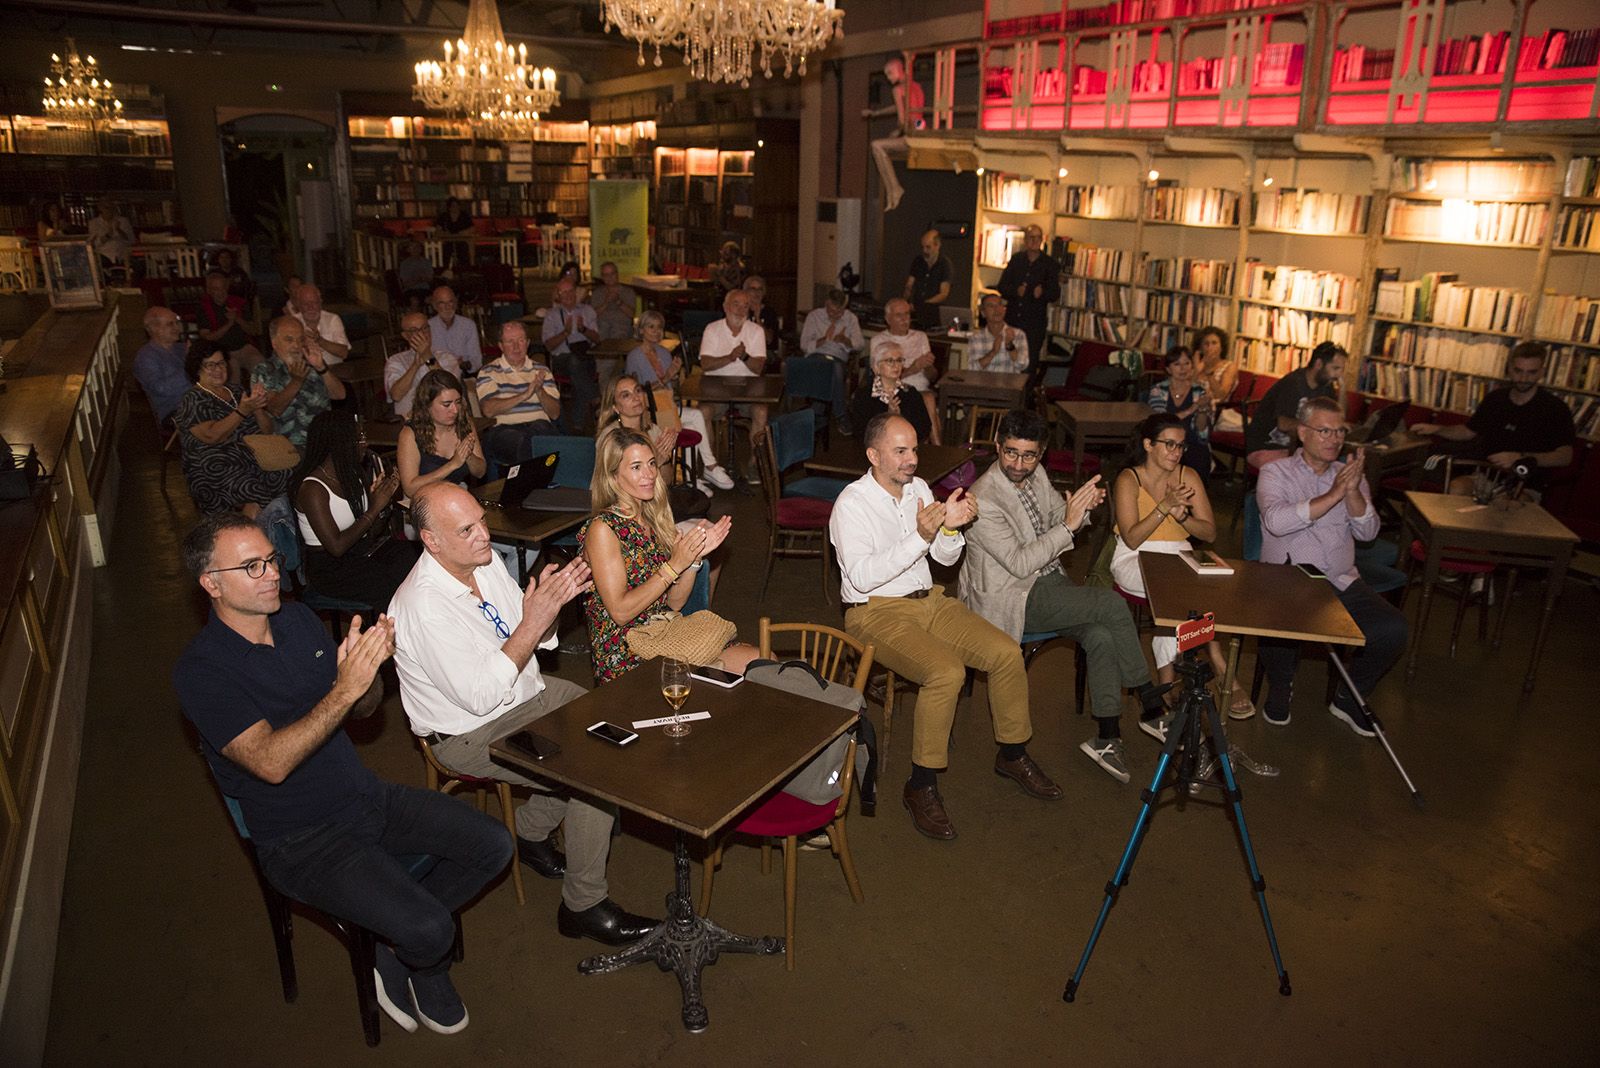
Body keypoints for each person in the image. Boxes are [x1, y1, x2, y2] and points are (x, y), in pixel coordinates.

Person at [174, 512, 506, 1036]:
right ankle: (421, 953)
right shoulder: (202, 671)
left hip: (363, 796)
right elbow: (270, 761)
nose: (271, 575)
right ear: (211, 583)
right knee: (430, 926)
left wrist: (367, 677)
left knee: (493, 843)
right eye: (252, 566)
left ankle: (395, 941)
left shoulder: (298, 620)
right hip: (300, 839)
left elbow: (364, 711)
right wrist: (343, 690)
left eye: (272, 561)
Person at [390, 483, 658, 946]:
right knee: (595, 772)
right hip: (470, 731)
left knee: (611, 722)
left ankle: (531, 831)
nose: (483, 535)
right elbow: (480, 696)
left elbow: (534, 634)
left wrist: (550, 609)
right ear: (431, 542)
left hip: (524, 692)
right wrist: (534, 622)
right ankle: (583, 906)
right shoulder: (422, 607)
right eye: (467, 528)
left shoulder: (483, 560)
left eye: (480, 519)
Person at [830, 413, 1062, 841]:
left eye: (914, 449)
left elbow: (945, 561)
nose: (912, 459)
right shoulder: (851, 504)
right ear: (873, 455)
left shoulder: (918, 490)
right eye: (900, 451)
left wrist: (950, 531)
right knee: (946, 673)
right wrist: (920, 536)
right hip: (875, 613)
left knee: (1006, 652)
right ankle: (921, 784)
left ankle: (1012, 752)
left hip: (930, 601)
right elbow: (861, 577)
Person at [960, 410, 1169, 783]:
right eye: (1010, 453)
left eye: (1029, 455)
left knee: (1101, 634)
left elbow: (1059, 513)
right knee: (1111, 603)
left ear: (1040, 454)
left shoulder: (1033, 473)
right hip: (1012, 597)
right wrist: (1070, 525)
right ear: (997, 446)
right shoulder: (984, 499)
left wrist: (1083, 510)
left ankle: (1106, 735)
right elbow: (1020, 563)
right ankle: (1151, 702)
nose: (1018, 464)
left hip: (1051, 581)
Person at [1257, 397, 1409, 734]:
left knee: (1392, 629)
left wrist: (1352, 491)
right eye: (1324, 430)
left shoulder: (1349, 474)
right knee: (1275, 625)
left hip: (1341, 581)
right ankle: (1281, 686)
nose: (1334, 439)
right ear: (1302, 432)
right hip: (1288, 579)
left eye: (1339, 431)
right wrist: (1333, 495)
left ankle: (1349, 698)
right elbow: (1277, 521)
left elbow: (1368, 532)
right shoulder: (1275, 471)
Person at [579, 428, 755, 684]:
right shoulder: (604, 529)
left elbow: (674, 602)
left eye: (651, 463)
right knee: (750, 677)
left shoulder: (654, 520)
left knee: (761, 664)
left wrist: (692, 559)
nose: (650, 474)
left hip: (662, 632)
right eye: (636, 467)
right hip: (626, 651)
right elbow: (620, 611)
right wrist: (673, 566)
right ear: (613, 476)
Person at [1110, 413, 1253, 717]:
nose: (1176, 452)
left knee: (1211, 588)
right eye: (1169, 444)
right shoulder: (1129, 478)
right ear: (1148, 444)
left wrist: (1182, 516)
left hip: (1178, 553)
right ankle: (1215, 662)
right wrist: (1163, 508)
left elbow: (1210, 532)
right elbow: (1133, 538)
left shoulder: (1188, 476)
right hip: (1135, 556)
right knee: (1176, 593)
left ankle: (1166, 682)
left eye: (1181, 446)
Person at [292, 410, 418, 613]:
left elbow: (369, 533)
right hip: (329, 568)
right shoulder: (313, 489)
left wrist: (383, 505)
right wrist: (375, 507)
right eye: (358, 438)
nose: (365, 443)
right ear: (337, 443)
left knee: (412, 556)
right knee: (388, 584)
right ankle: (394, 639)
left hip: (358, 553)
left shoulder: (351, 475)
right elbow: (336, 546)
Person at [1410, 342, 1576, 495]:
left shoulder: (1555, 408)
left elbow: (1564, 456)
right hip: (1486, 475)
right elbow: (1468, 431)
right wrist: (1438, 429)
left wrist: (1522, 457)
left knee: (1502, 509)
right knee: (1455, 489)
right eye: (1518, 371)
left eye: (1531, 372)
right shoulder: (1496, 399)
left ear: (1542, 372)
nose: (1524, 378)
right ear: (1509, 369)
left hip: (1525, 483)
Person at [172, 340, 290, 517]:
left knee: (286, 474)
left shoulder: (236, 391)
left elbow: (267, 431)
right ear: (197, 369)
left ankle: (276, 531)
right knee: (254, 490)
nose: (218, 369)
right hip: (214, 465)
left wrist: (257, 407)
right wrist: (242, 411)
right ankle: (253, 536)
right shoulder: (193, 399)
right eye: (209, 365)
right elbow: (212, 436)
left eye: (221, 363)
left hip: (250, 458)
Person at [623, 312, 732, 491]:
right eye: (651, 327)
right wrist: (667, 377)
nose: (657, 332)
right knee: (696, 418)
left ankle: (693, 477)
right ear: (641, 330)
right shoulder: (634, 357)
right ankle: (706, 470)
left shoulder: (664, 353)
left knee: (697, 418)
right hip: (648, 412)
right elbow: (638, 392)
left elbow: (673, 387)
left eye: (660, 328)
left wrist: (675, 377)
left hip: (667, 407)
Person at [600, 372, 729, 502]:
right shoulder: (610, 436)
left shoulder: (653, 430)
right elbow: (613, 487)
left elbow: (667, 482)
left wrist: (665, 460)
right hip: (622, 505)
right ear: (615, 407)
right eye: (626, 395)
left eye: (638, 390)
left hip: (654, 502)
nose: (636, 397)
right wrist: (655, 461)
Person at [1244, 341, 1346, 470]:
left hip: (1297, 450)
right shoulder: (1293, 383)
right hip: (1267, 446)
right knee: (1312, 470)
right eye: (1335, 368)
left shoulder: (1326, 386)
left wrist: (1342, 388)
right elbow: (1283, 425)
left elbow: (1338, 418)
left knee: (1339, 467)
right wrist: (1317, 428)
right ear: (1319, 364)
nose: (1339, 375)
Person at [253, 315, 347, 449]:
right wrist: (296, 382)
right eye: (289, 340)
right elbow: (274, 409)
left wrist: (321, 367)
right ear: (274, 343)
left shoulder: (312, 363)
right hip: (290, 447)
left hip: (325, 442)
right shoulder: (264, 371)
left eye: (300, 339)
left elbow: (340, 395)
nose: (296, 346)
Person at [477, 319, 562, 466]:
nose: (516, 347)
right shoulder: (488, 372)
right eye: (510, 341)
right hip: (504, 430)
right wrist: (525, 395)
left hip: (539, 427)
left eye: (521, 340)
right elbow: (488, 410)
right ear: (501, 346)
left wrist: (539, 391)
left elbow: (554, 413)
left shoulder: (542, 371)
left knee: (541, 436)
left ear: (528, 343)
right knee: (525, 442)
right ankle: (539, 483)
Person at [699, 288, 771, 459]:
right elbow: (705, 365)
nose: (740, 310)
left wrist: (744, 356)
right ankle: (711, 464)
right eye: (736, 304)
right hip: (716, 389)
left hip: (749, 390)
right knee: (702, 412)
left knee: (761, 412)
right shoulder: (712, 329)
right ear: (725, 307)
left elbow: (758, 368)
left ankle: (756, 464)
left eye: (745, 306)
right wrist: (730, 357)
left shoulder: (756, 331)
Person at [396, 370, 485, 498]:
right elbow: (410, 488)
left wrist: (468, 455)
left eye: (458, 402)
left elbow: (480, 472)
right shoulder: (410, 434)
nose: (454, 410)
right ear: (427, 404)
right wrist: (452, 465)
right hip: (423, 500)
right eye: (446, 404)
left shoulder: (464, 424)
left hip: (457, 494)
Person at [869, 298, 941, 443]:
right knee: (927, 399)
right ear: (888, 319)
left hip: (920, 389)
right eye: (899, 315)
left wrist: (928, 366)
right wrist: (913, 367)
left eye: (907, 314)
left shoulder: (920, 337)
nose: (905, 319)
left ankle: (937, 451)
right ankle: (939, 450)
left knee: (928, 398)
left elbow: (933, 377)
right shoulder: (879, 340)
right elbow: (879, 375)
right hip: (896, 389)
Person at [798, 288, 865, 434]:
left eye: (839, 312)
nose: (835, 315)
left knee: (834, 367)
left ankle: (817, 410)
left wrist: (846, 341)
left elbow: (860, 344)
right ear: (826, 304)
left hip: (838, 358)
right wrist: (823, 340)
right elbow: (804, 345)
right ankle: (840, 415)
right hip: (816, 356)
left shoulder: (850, 318)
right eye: (832, 311)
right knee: (831, 369)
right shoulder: (814, 316)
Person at [1146, 345, 1214, 482]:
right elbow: (1161, 422)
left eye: (1187, 363)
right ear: (1168, 369)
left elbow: (1202, 432)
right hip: (1164, 441)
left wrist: (1203, 410)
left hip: (1191, 441)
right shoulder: (1158, 390)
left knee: (1200, 453)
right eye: (1177, 364)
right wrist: (1193, 407)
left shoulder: (1199, 391)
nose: (1183, 368)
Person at [542, 277, 601, 433]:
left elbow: (597, 339)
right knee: (576, 364)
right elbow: (548, 345)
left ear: (576, 292)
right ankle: (596, 398)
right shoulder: (551, 315)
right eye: (563, 292)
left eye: (570, 291)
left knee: (578, 371)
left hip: (585, 356)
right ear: (558, 296)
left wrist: (583, 330)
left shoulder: (587, 311)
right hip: (561, 359)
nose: (568, 295)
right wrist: (566, 332)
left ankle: (577, 426)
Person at [996, 223, 1059, 360]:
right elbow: (1002, 287)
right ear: (1025, 240)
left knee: (1028, 363)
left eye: (1038, 238)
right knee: (1007, 360)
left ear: (1042, 240)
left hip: (1033, 326)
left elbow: (1055, 295)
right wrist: (1015, 291)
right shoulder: (1016, 260)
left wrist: (1042, 293)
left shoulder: (1050, 264)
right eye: (1031, 237)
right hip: (1012, 321)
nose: (1034, 241)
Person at [385, 311, 463, 420]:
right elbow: (396, 395)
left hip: (445, 421)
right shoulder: (396, 361)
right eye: (414, 330)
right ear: (405, 336)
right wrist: (415, 365)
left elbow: (449, 387)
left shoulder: (446, 358)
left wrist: (428, 357)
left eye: (425, 328)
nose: (421, 334)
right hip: (409, 423)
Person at [850, 342, 932, 443]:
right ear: (876, 367)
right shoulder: (864, 395)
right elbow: (860, 432)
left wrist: (900, 418)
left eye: (899, 360)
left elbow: (924, 429)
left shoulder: (910, 393)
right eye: (890, 361)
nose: (896, 365)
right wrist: (888, 417)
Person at [198, 270, 264, 385]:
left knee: (261, 366)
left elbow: (253, 331)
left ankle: (262, 399)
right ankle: (237, 401)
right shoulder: (203, 308)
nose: (220, 292)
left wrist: (237, 318)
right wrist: (229, 324)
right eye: (216, 289)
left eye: (223, 288)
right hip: (221, 351)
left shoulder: (239, 303)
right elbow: (208, 338)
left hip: (244, 347)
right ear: (209, 290)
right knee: (232, 371)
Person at [135, 305, 190, 425]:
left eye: (177, 323)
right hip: (173, 410)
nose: (177, 328)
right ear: (154, 328)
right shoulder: (146, 357)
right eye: (171, 324)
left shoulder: (179, 348)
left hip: (195, 400)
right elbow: (160, 388)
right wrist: (190, 365)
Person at [288, 283, 350, 367]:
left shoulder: (332, 319)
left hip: (333, 371)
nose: (310, 307)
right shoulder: (292, 322)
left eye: (314, 302)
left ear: (320, 302)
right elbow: (287, 354)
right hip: (305, 374)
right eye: (305, 304)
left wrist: (320, 341)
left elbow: (344, 353)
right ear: (298, 305)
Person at [967, 293, 1030, 374]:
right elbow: (971, 369)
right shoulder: (976, 338)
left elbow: (1023, 365)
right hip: (984, 384)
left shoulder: (1018, 334)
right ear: (983, 313)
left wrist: (1010, 346)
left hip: (1009, 384)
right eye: (991, 306)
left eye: (999, 305)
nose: (997, 309)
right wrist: (993, 353)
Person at [903, 228, 952, 331]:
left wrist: (923, 305)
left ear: (937, 245)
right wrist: (905, 302)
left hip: (934, 316)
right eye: (923, 247)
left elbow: (943, 294)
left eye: (928, 247)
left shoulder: (945, 264)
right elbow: (909, 285)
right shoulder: (918, 261)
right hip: (916, 315)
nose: (924, 251)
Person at [428, 286, 482, 373]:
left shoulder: (468, 325)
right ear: (434, 306)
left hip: (463, 374)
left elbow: (476, 360)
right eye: (442, 303)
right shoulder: (427, 327)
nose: (447, 307)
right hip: (436, 375)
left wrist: (464, 365)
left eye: (450, 302)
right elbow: (423, 358)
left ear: (456, 304)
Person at [590, 261, 637, 341]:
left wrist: (618, 301)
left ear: (617, 274)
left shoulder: (628, 291)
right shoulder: (597, 293)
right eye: (606, 275)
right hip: (602, 326)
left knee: (618, 337)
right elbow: (592, 315)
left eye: (612, 274)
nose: (610, 277)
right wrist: (606, 302)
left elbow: (631, 314)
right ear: (602, 277)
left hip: (621, 326)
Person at [1193, 325, 1238, 403]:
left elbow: (1221, 396)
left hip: (1215, 410)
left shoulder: (1229, 366)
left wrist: (1209, 371)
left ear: (1221, 347)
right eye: (1206, 344)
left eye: (1214, 343)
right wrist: (1196, 370)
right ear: (1200, 348)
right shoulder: (1197, 364)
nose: (1210, 347)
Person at [86, 199, 133, 269]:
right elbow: (93, 244)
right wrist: (108, 235)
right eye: (106, 208)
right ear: (100, 209)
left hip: (122, 254)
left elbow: (131, 240)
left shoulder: (123, 221)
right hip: (103, 255)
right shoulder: (94, 223)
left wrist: (118, 230)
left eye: (112, 207)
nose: (109, 210)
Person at [742, 275, 781, 353]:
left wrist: (758, 320)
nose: (756, 292)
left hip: (764, 353)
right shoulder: (739, 310)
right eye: (753, 289)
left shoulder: (769, 312)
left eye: (760, 289)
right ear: (746, 292)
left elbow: (769, 340)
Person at [434, 197, 473, 272]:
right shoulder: (444, 216)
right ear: (449, 207)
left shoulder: (464, 215)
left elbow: (472, 228)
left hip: (462, 240)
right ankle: (445, 270)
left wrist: (463, 232)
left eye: (457, 205)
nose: (455, 208)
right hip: (447, 240)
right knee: (446, 250)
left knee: (464, 249)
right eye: (453, 206)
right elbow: (437, 230)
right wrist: (444, 233)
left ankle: (466, 270)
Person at [397, 241, 435, 308]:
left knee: (433, 299)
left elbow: (430, 279)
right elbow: (405, 283)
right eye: (413, 248)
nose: (416, 250)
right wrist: (417, 279)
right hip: (411, 290)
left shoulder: (426, 262)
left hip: (424, 289)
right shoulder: (405, 264)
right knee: (414, 301)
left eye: (418, 247)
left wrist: (424, 278)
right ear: (409, 250)